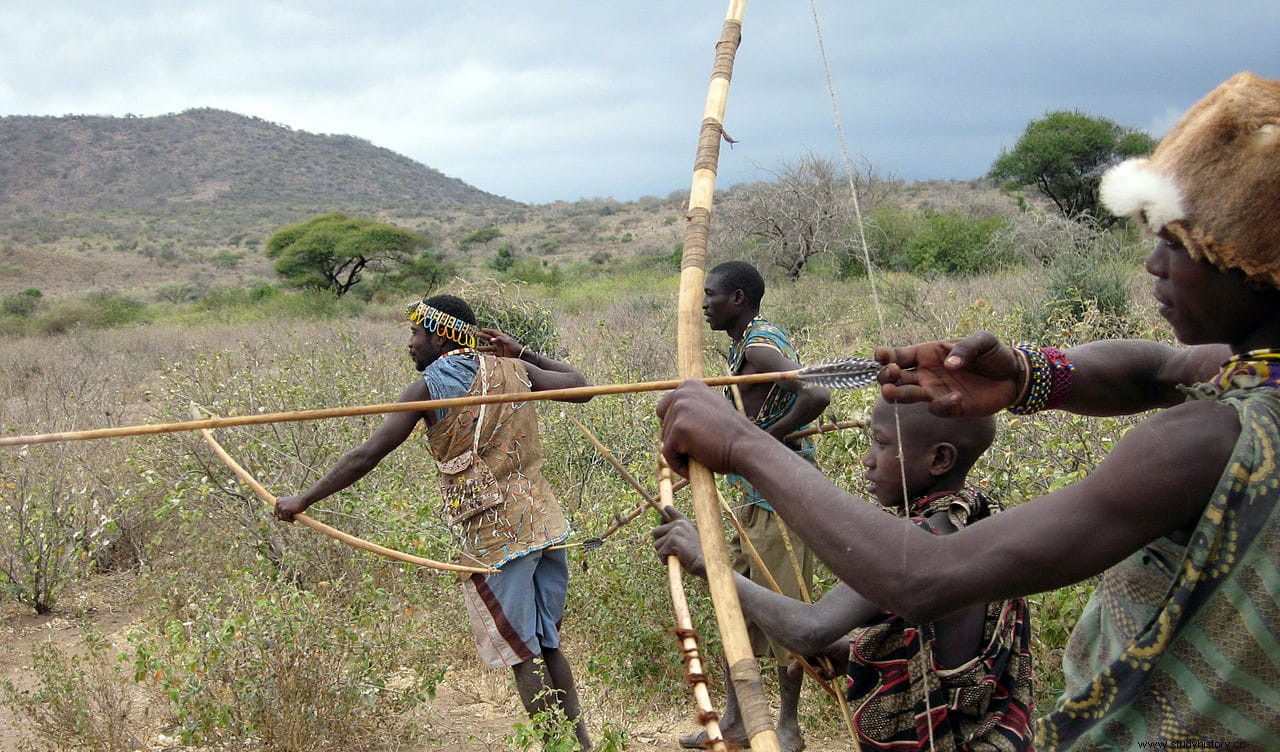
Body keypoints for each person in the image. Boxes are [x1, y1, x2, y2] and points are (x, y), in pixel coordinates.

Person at [655, 71, 1280, 749]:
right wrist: (1021, 375)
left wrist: (743, 445)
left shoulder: (1210, 438)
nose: (1154, 265)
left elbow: (920, 579)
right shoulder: (1248, 374)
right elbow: (1161, 368)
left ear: (1254, 264)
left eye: (1179, 245)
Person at [274, 294, 594, 750]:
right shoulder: (514, 371)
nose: (410, 343)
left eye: (416, 333)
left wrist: (303, 499)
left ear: (441, 335)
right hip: (545, 524)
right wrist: (522, 352)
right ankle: (579, 744)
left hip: (496, 538)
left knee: (522, 649)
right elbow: (580, 385)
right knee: (546, 643)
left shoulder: (428, 388)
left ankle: (560, 748)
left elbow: (367, 455)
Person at [654, 397, 1034, 750]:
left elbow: (809, 629)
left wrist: (708, 561)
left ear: (939, 460)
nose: (868, 459)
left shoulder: (923, 539)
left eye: (881, 444)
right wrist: (850, 651)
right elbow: (945, 650)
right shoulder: (977, 520)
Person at [680, 261, 832, 751]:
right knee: (737, 607)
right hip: (757, 498)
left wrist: (762, 442)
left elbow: (816, 394)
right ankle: (738, 718)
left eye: (712, 295)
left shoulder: (762, 348)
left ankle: (787, 726)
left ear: (738, 299)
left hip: (781, 500)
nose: (704, 304)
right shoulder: (747, 346)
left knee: (786, 611)